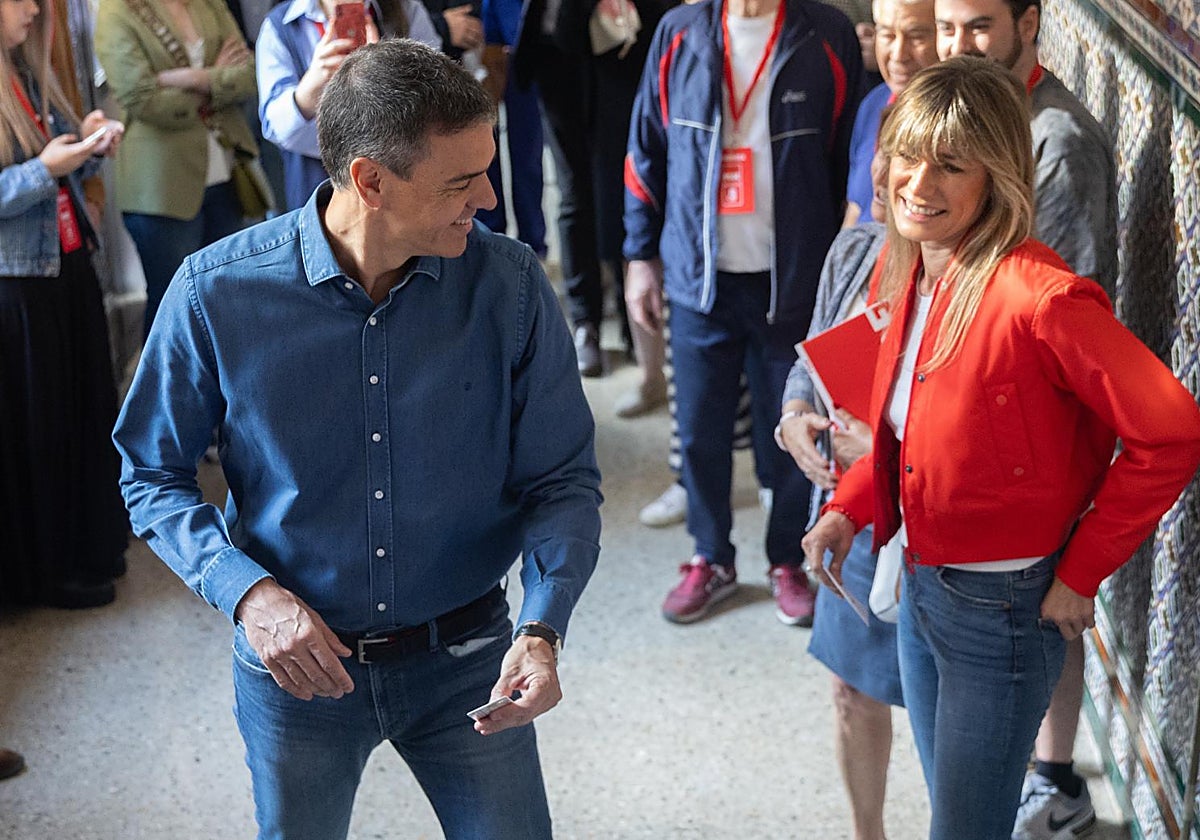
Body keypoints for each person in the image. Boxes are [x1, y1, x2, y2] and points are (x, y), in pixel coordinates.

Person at [113, 40, 601, 840]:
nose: (487, 196)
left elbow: (562, 481)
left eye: (486, 169)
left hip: (470, 658)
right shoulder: (215, 292)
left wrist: (542, 628)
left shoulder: (510, 285)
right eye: (460, 181)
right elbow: (150, 474)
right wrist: (248, 593)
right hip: (294, 669)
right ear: (370, 180)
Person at [801, 56, 1200, 840]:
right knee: (956, 813)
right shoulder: (909, 263)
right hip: (918, 580)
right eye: (906, 155)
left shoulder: (1043, 299)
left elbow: (1174, 430)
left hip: (1005, 611)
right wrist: (849, 508)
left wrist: (1082, 573)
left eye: (950, 165)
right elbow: (905, 430)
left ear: (1001, 176)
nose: (917, 183)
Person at [934, 1, 1119, 834]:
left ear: (1030, 21)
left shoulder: (1058, 143)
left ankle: (1056, 784)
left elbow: (1063, 337)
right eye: (946, 26)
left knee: (1046, 612)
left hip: (1033, 444)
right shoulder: (973, 120)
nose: (956, 45)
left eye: (977, 24)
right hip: (979, 437)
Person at [624, 0, 863, 625]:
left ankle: (787, 558)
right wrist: (639, 256)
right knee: (700, 430)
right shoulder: (679, 33)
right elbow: (645, 150)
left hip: (792, 280)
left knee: (788, 428)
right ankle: (711, 558)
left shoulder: (827, 34)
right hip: (699, 276)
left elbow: (850, 162)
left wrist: (843, 273)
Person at [0, 0, 128, 610]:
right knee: (43, 429)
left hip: (65, 265)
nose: (34, 10)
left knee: (82, 412)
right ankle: (53, 569)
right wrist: (42, 171)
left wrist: (88, 145)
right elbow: (21, 182)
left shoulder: (28, 76)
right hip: (18, 284)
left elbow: (59, 166)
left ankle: (86, 549)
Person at [95, 0, 259, 338]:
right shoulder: (118, 10)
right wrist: (217, 83)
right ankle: (165, 391)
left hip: (225, 173)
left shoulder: (208, 3)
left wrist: (191, 78)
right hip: (160, 188)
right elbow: (142, 99)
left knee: (228, 297)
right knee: (173, 310)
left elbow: (248, 75)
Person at [255, 0, 441, 211]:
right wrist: (311, 85)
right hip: (319, 187)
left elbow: (435, 104)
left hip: (403, 178)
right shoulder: (282, 24)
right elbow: (277, 129)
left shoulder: (405, 10)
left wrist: (383, 75)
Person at [842, 0, 934, 227]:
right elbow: (856, 208)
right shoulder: (873, 103)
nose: (899, 55)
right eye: (887, 35)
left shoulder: (954, 125)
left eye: (916, 37)